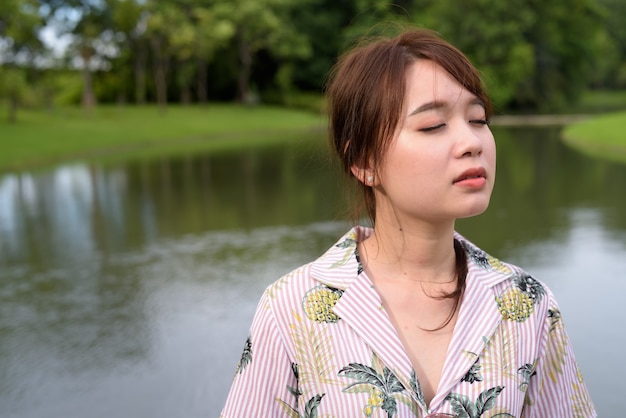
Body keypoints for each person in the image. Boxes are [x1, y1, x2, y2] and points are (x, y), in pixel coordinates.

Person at [220, 27, 596, 417]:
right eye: (433, 125)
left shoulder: (527, 304)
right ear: (364, 161)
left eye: (478, 119)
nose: (472, 142)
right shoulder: (292, 310)